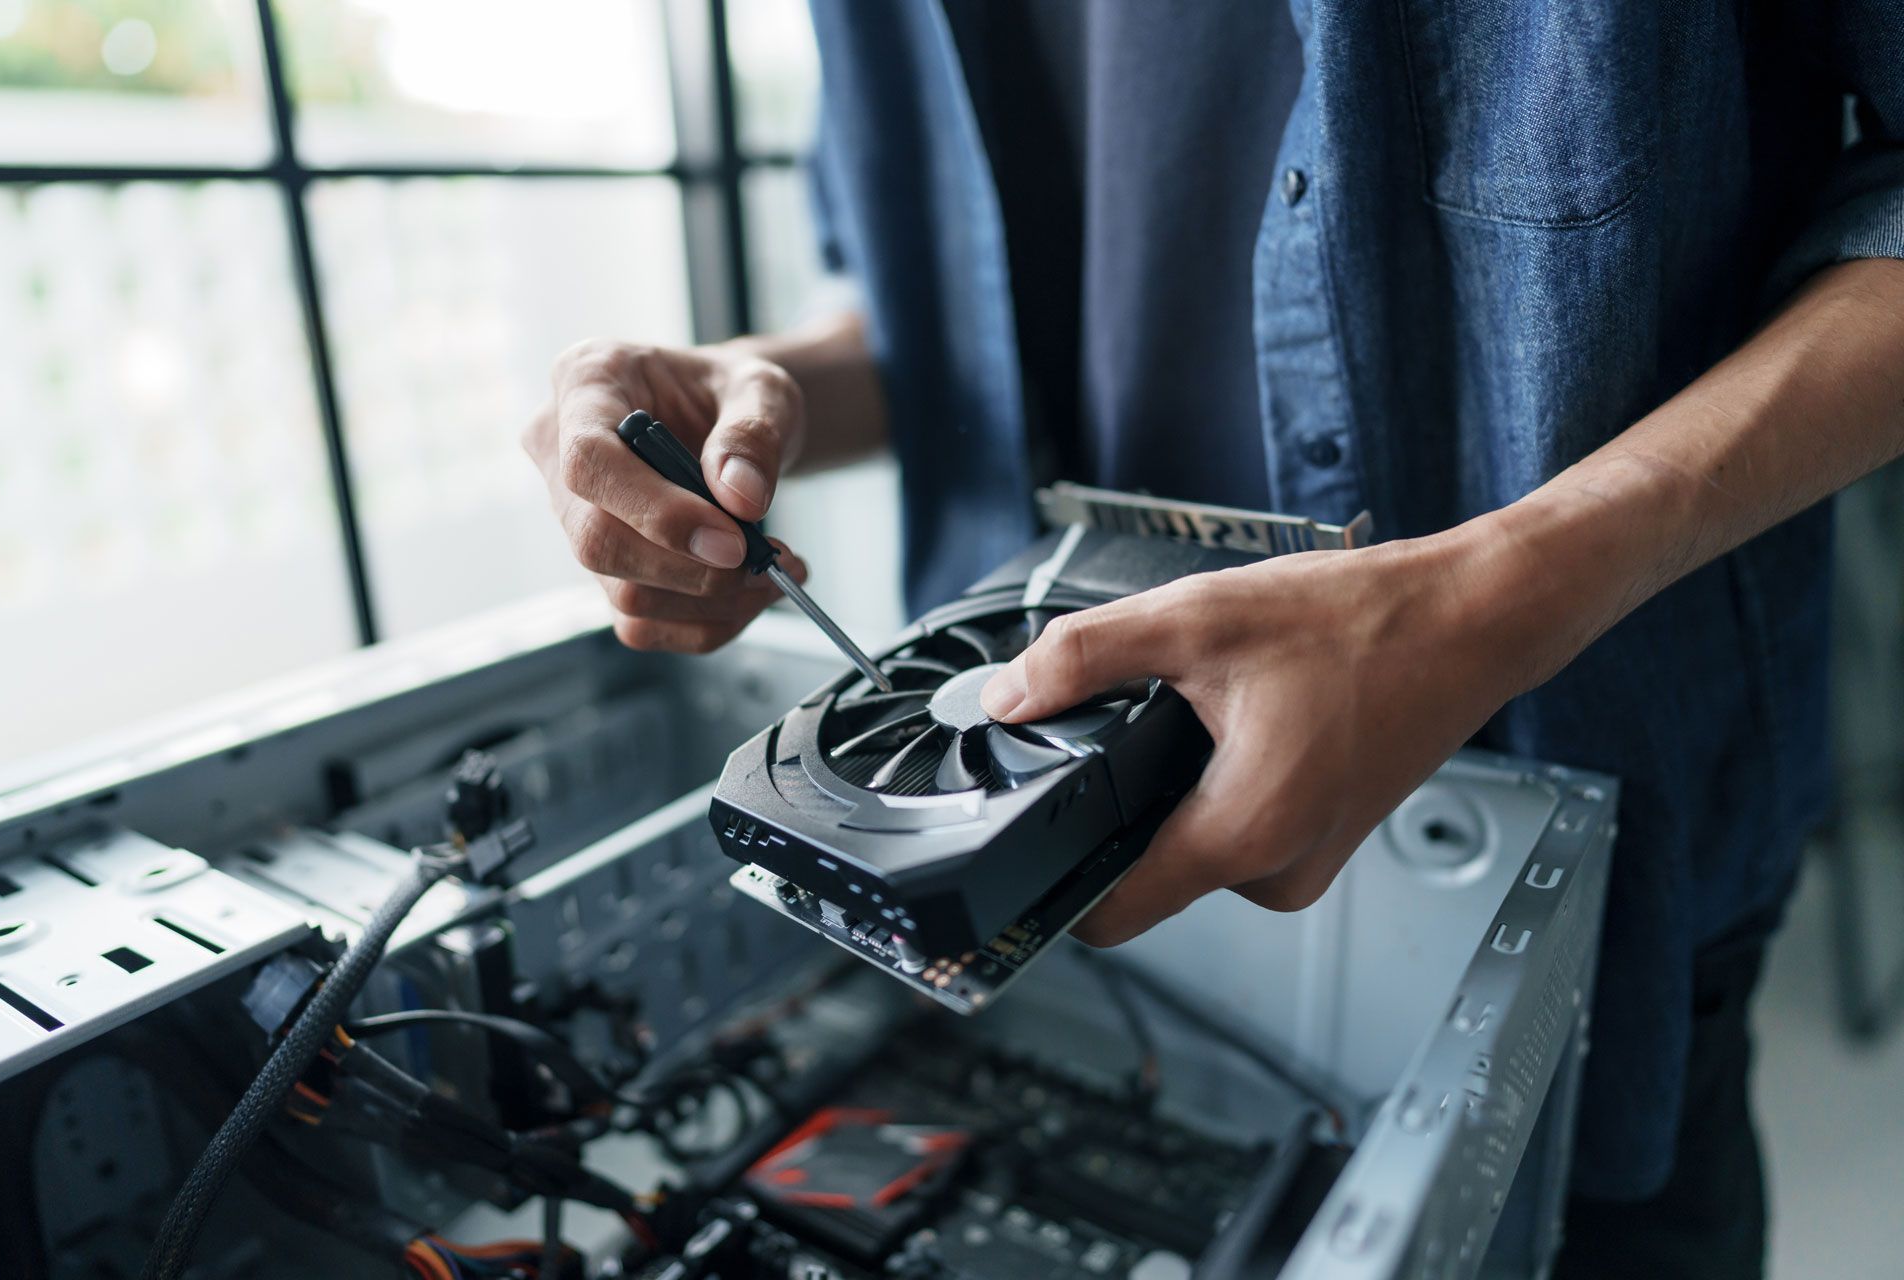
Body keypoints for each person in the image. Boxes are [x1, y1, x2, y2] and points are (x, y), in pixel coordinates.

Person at [522, 5, 1904, 1276]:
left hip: (1582, 811)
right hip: (1023, 832)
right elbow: (959, 305)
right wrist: (767, 389)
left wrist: (1490, 595)